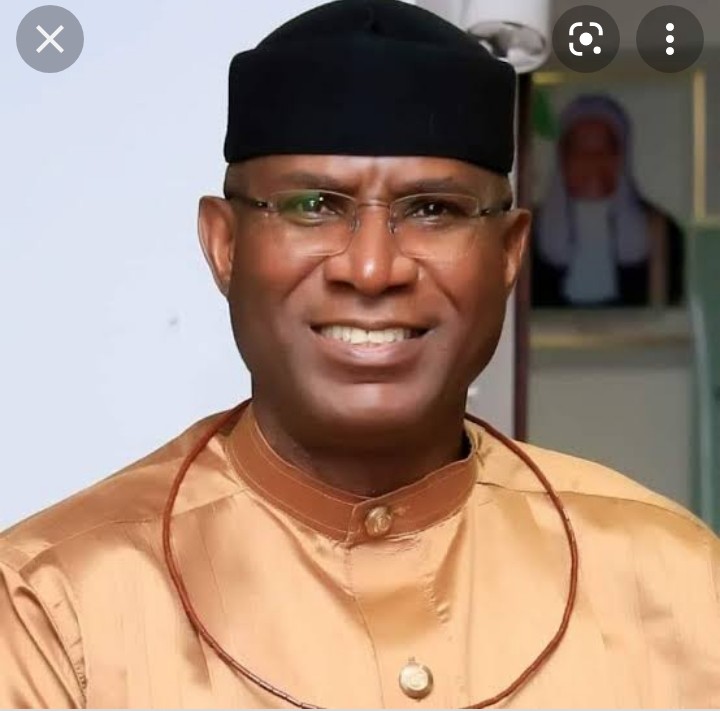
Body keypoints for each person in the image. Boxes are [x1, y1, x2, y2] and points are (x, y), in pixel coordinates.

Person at [1, 1, 719, 708]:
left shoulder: (673, 581)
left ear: (508, 254)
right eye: (314, 205)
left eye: (433, 209)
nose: (372, 270)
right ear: (225, 245)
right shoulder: (53, 611)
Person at [532, 94, 685, 307]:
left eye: (606, 150)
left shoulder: (662, 231)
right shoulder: (529, 231)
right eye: (580, 151)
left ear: (623, 156)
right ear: (562, 159)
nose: (593, 161)